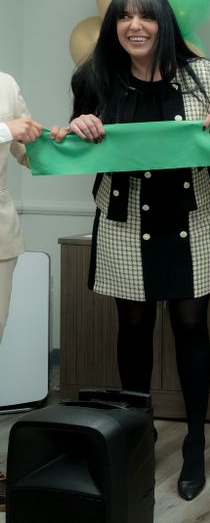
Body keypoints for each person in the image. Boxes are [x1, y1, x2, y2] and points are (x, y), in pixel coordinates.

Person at [50, 0, 210, 501]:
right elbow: (79, 141)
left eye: (146, 17)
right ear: (113, 27)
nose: (135, 26)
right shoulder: (93, 77)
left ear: (164, 24)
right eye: (124, 17)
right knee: (132, 322)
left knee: (191, 321)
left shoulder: (206, 76)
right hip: (125, 215)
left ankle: (195, 440)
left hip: (191, 213)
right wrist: (80, 125)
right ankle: (139, 426)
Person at [0, 72, 43, 513]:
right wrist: (3, 129)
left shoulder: (6, 84)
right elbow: (9, 132)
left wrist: (68, 136)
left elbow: (30, 150)